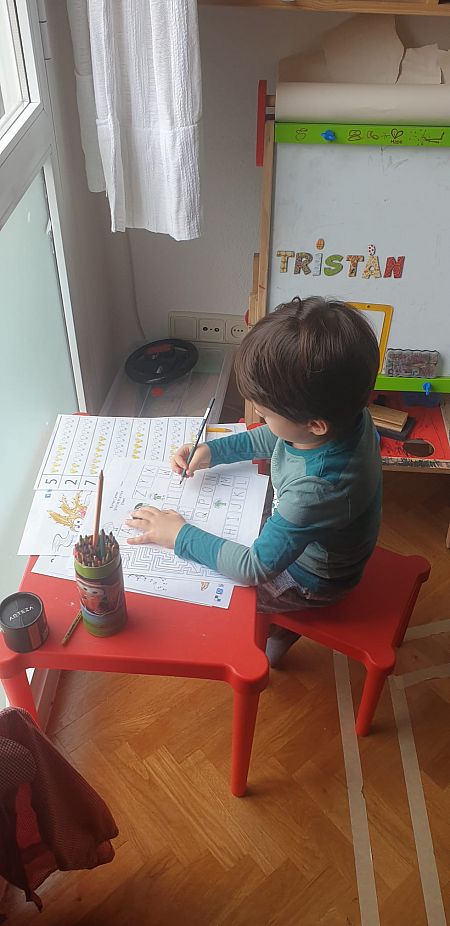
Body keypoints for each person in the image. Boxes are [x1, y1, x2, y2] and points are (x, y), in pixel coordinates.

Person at [125, 297, 382, 666]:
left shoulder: (318, 487)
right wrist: (214, 452)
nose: (258, 416)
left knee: (209, 591)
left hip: (310, 581)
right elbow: (275, 437)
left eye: (264, 412)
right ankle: (282, 631)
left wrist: (178, 535)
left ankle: (278, 631)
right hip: (323, 538)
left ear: (315, 424)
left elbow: (253, 568)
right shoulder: (344, 414)